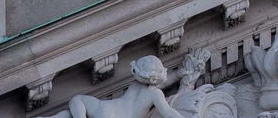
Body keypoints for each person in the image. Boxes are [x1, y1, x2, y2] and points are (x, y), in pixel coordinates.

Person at [57, 57, 185, 118]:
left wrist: (177, 75)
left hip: (104, 107)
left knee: (77, 100)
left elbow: (159, 85)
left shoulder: (136, 84)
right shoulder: (155, 93)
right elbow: (168, 112)